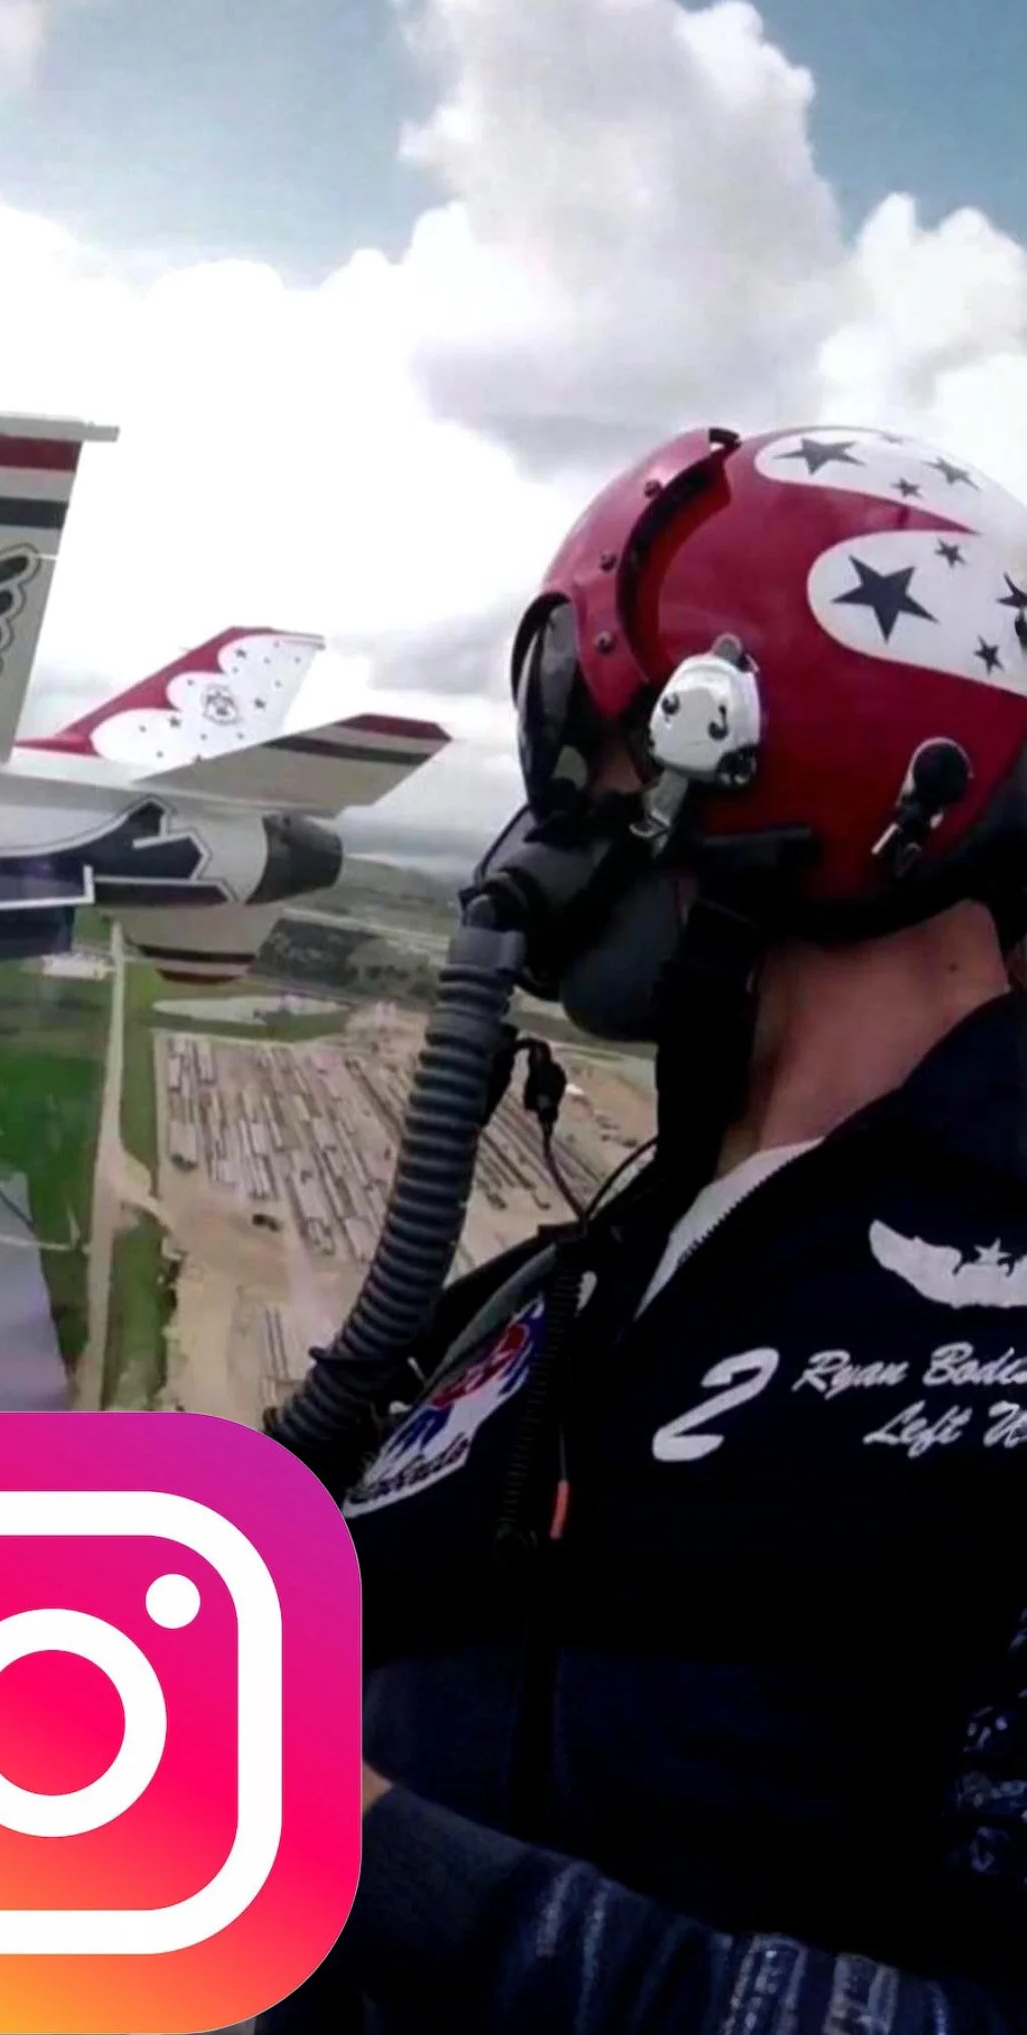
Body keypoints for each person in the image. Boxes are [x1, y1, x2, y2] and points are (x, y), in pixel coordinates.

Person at [257, 423, 1027, 2033]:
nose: (540, 835)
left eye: (577, 762)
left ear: (741, 749)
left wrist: (354, 1863)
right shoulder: (615, 1257)